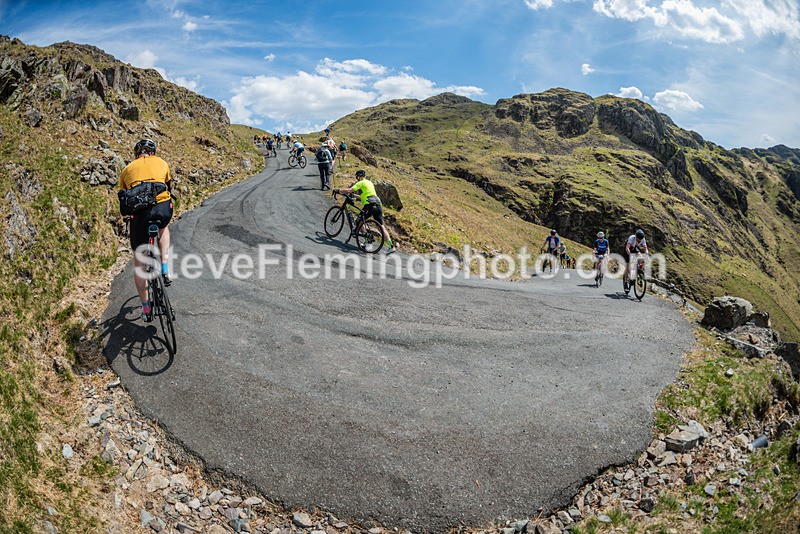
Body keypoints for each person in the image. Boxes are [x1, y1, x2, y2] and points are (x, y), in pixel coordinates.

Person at [118, 138, 173, 321]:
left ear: (136, 154)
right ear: (153, 152)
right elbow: (168, 185)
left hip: (139, 216)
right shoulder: (162, 163)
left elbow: (124, 196)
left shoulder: (127, 169)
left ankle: (146, 309)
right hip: (162, 209)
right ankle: (165, 267)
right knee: (163, 228)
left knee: (140, 263)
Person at [334, 170, 396, 254]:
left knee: (359, 221)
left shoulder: (360, 182)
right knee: (381, 226)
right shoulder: (369, 183)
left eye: (356, 177)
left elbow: (349, 190)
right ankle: (391, 246)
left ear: (358, 177)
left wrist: (338, 190)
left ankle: (367, 240)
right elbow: (366, 195)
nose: (356, 178)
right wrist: (355, 197)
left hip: (370, 205)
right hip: (378, 204)